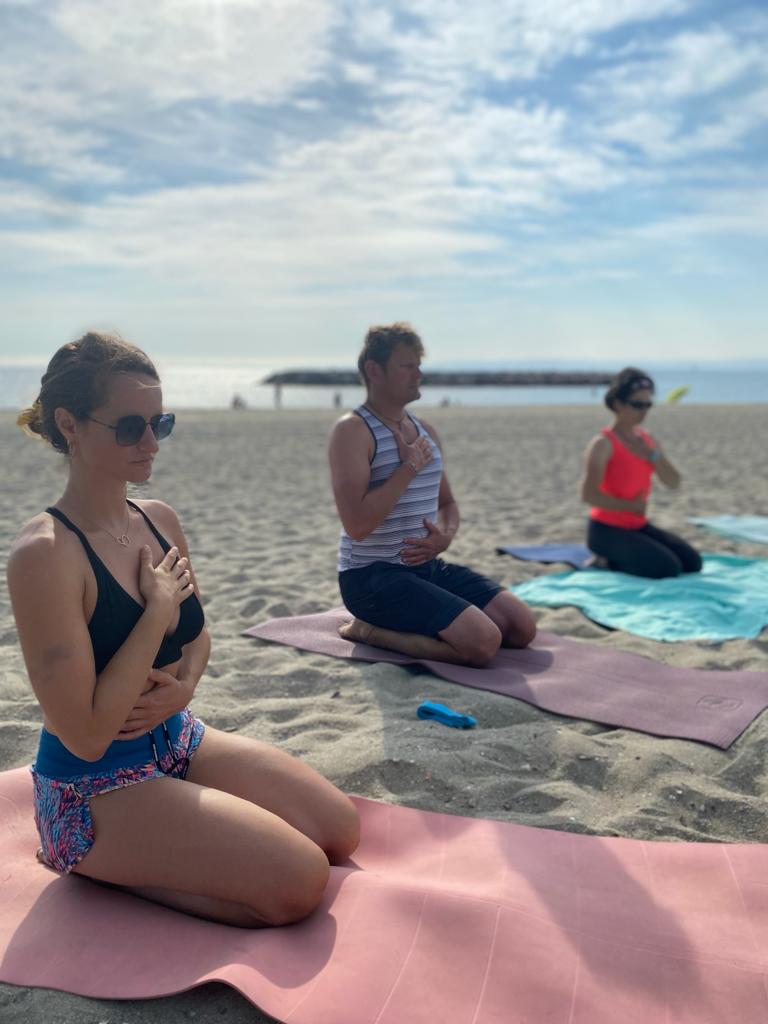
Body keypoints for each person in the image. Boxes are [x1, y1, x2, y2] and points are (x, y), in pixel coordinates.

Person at [7, 331, 358, 927]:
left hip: (178, 740)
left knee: (339, 830)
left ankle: (152, 848)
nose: (150, 443)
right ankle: (84, 858)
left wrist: (186, 686)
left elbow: (198, 635)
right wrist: (156, 612)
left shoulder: (157, 519)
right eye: (129, 427)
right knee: (300, 881)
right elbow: (86, 736)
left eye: (159, 423)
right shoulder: (46, 554)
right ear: (69, 424)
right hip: (93, 786)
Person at [328, 322, 536, 667]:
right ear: (374, 370)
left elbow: (448, 503)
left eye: (419, 365)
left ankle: (416, 623)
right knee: (483, 643)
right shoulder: (352, 430)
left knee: (520, 627)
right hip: (371, 577)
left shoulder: (425, 431)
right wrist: (408, 467)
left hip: (426, 568)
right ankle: (369, 631)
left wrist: (445, 537)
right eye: (407, 366)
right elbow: (357, 525)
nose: (418, 374)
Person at [580, 366, 702, 579]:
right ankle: (604, 559)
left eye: (648, 404)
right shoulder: (603, 443)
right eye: (637, 404)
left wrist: (653, 456)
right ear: (617, 404)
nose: (643, 411)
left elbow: (674, 482)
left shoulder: (647, 440)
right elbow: (589, 495)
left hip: (637, 525)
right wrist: (630, 506)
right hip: (605, 530)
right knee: (667, 568)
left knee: (692, 563)